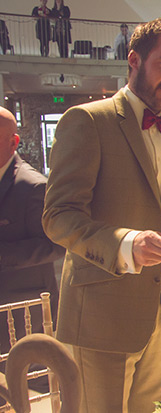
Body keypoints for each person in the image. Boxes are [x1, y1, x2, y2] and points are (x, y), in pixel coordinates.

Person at [42, 19, 161, 412]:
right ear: (134, 60)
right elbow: (58, 216)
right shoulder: (87, 121)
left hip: (159, 308)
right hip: (101, 313)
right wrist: (126, 243)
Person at [0, 107, 65, 394]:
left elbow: (56, 244)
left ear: (13, 142)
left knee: (34, 386)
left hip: (23, 307)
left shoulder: (33, 186)